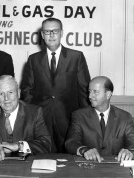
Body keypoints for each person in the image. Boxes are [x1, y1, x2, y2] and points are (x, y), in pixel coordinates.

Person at [20, 17, 91, 153]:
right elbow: (27, 91)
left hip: (69, 119)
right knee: (42, 158)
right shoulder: (33, 59)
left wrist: (85, 119)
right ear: (42, 35)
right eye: (47, 32)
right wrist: (32, 117)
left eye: (55, 31)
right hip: (41, 121)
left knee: (68, 162)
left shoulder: (76, 57)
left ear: (61, 33)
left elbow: (84, 90)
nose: (51, 35)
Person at [0, 75, 52, 161]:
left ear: (19, 93)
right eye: (1, 94)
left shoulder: (34, 113)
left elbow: (46, 143)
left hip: (26, 168)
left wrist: (19, 146)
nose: (6, 98)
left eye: (10, 92)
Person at [65, 76, 134, 163]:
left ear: (108, 94)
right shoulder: (79, 116)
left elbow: (133, 144)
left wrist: (130, 152)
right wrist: (84, 150)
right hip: (88, 168)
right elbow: (71, 143)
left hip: (116, 169)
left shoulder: (125, 117)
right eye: (89, 91)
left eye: (95, 92)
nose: (90, 96)